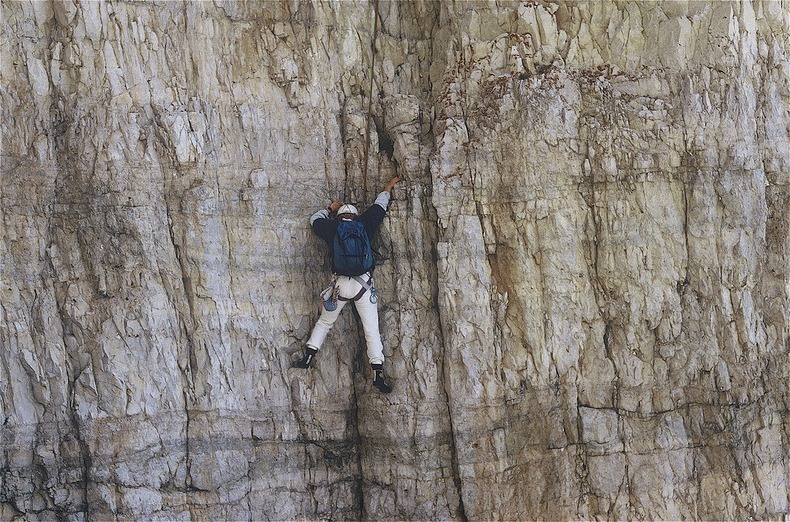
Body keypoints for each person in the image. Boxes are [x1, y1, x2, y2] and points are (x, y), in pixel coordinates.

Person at [292, 177, 400, 394]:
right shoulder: (365, 224)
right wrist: (387, 188)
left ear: (340, 217)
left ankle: (308, 357)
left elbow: (314, 220)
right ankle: (378, 374)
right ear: (354, 216)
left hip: (340, 287)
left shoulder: (333, 228)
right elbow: (380, 205)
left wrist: (329, 209)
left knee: (325, 322)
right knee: (371, 330)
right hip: (364, 286)